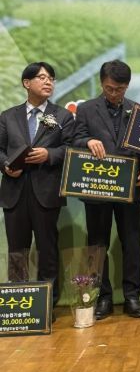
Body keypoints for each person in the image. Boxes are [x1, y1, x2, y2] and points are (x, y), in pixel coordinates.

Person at [73, 60, 140, 319]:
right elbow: (74, 140)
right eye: (109, 88)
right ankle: (102, 297)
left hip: (129, 188)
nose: (114, 94)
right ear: (101, 83)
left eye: (119, 89)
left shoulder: (138, 110)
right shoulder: (85, 109)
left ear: (127, 86)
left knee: (132, 243)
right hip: (97, 189)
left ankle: (132, 297)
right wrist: (88, 141)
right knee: (97, 245)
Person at [0, 62, 74, 307]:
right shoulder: (8, 116)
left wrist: (49, 154)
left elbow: (71, 149)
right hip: (14, 192)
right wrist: (6, 166)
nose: (48, 81)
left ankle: (47, 305)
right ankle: (19, 304)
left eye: (51, 78)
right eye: (42, 77)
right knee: (17, 251)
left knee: (47, 249)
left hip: (47, 192)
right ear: (26, 83)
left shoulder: (62, 115)